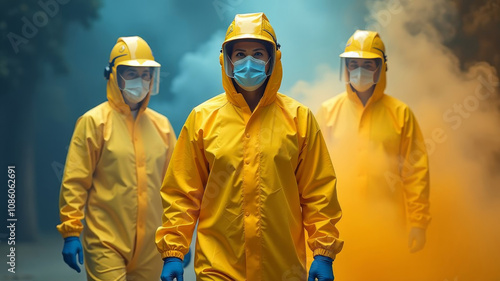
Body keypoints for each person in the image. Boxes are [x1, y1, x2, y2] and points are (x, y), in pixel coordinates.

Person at [155, 13, 343, 281]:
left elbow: (318, 190)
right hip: (218, 267)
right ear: (227, 61)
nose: (249, 61)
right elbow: (182, 192)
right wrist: (173, 250)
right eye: (240, 54)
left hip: (282, 268)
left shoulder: (299, 118)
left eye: (258, 53)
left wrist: (323, 252)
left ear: (272, 59)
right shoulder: (202, 118)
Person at [57, 36, 181, 280]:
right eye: (131, 73)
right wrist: (71, 232)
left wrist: (176, 242)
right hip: (106, 241)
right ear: (113, 75)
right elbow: (75, 180)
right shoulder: (94, 122)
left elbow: (175, 189)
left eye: (146, 74)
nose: (141, 81)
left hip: (152, 249)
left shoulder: (162, 127)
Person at [315, 30, 431, 279]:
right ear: (345, 67)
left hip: (388, 223)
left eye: (368, 65)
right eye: (353, 64)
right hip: (340, 226)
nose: (360, 71)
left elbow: (415, 171)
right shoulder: (328, 112)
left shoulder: (400, 114)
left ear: (381, 68)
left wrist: (418, 222)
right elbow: (312, 175)